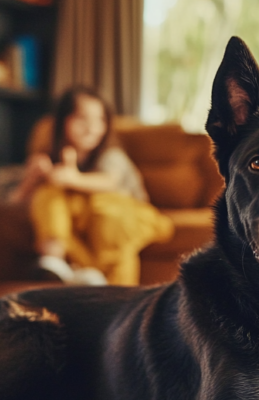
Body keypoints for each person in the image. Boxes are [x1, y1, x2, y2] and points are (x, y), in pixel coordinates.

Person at [10, 86, 173, 286]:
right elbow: (10, 204)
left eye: (100, 120)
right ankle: (55, 259)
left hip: (126, 215)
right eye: (82, 119)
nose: (92, 127)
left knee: (105, 210)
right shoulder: (48, 158)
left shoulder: (111, 154)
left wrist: (72, 178)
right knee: (48, 193)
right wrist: (31, 179)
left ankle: (113, 291)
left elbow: (110, 181)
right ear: (63, 122)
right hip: (82, 224)